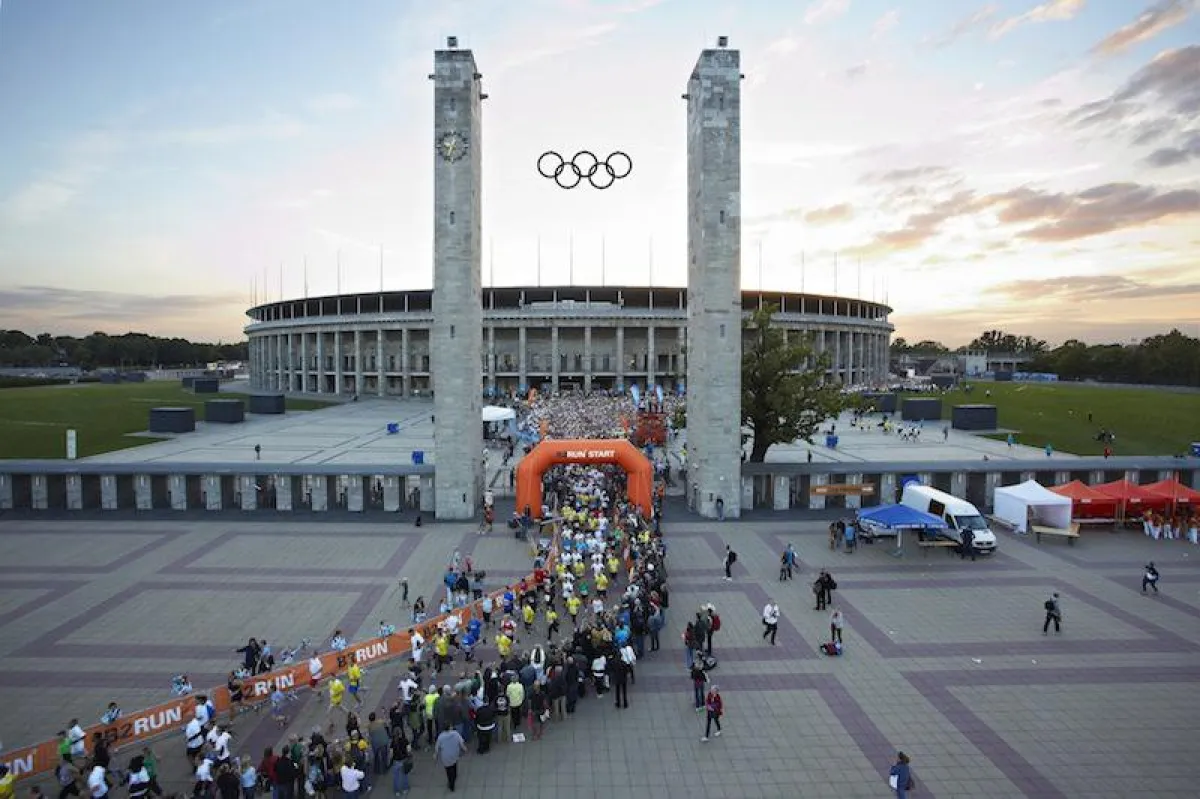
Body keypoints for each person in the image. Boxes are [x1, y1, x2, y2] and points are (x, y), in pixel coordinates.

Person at [433, 727, 467, 793]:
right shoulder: (456, 734)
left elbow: (437, 747)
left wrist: (435, 754)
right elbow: (461, 743)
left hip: (446, 756)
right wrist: (464, 749)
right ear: (450, 727)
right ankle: (455, 775)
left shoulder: (441, 736)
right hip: (455, 754)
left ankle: (452, 785)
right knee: (454, 764)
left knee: (448, 770)